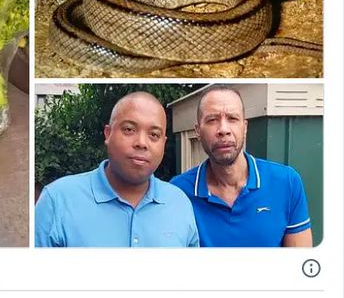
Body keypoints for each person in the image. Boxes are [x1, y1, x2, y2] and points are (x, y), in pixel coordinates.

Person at [35, 91, 199, 247]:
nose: (141, 142)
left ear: (163, 143)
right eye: (129, 129)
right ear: (108, 134)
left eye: (154, 135)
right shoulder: (57, 200)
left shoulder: (179, 203)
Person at [171, 86, 313, 247]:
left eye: (232, 118)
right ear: (197, 131)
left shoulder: (286, 182)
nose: (223, 130)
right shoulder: (178, 192)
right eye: (212, 120)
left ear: (244, 127)